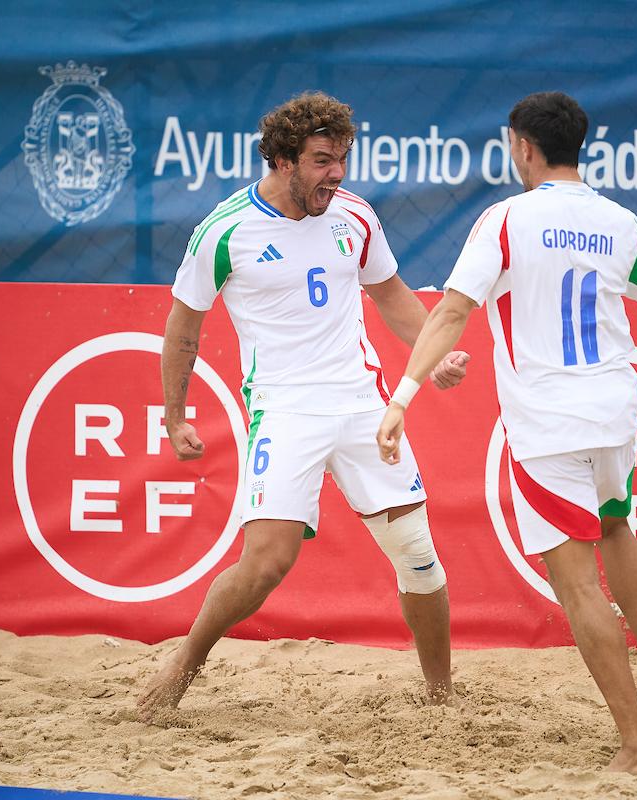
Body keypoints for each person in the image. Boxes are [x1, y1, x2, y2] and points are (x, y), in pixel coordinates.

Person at [376, 91, 637, 774]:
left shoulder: (505, 219)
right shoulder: (620, 222)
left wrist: (402, 396)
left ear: (524, 147)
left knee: (578, 585)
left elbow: (451, 311)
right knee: (618, 530)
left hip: (548, 423)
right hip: (617, 410)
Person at [138, 91, 469, 719]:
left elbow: (393, 296)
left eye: (342, 158)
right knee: (266, 566)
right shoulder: (224, 230)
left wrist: (433, 356)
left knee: (419, 557)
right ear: (284, 159)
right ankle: (184, 665)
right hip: (284, 410)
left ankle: (441, 697)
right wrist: (175, 416)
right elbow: (183, 329)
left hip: (362, 405)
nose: (336, 173)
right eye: (322, 160)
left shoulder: (355, 216)